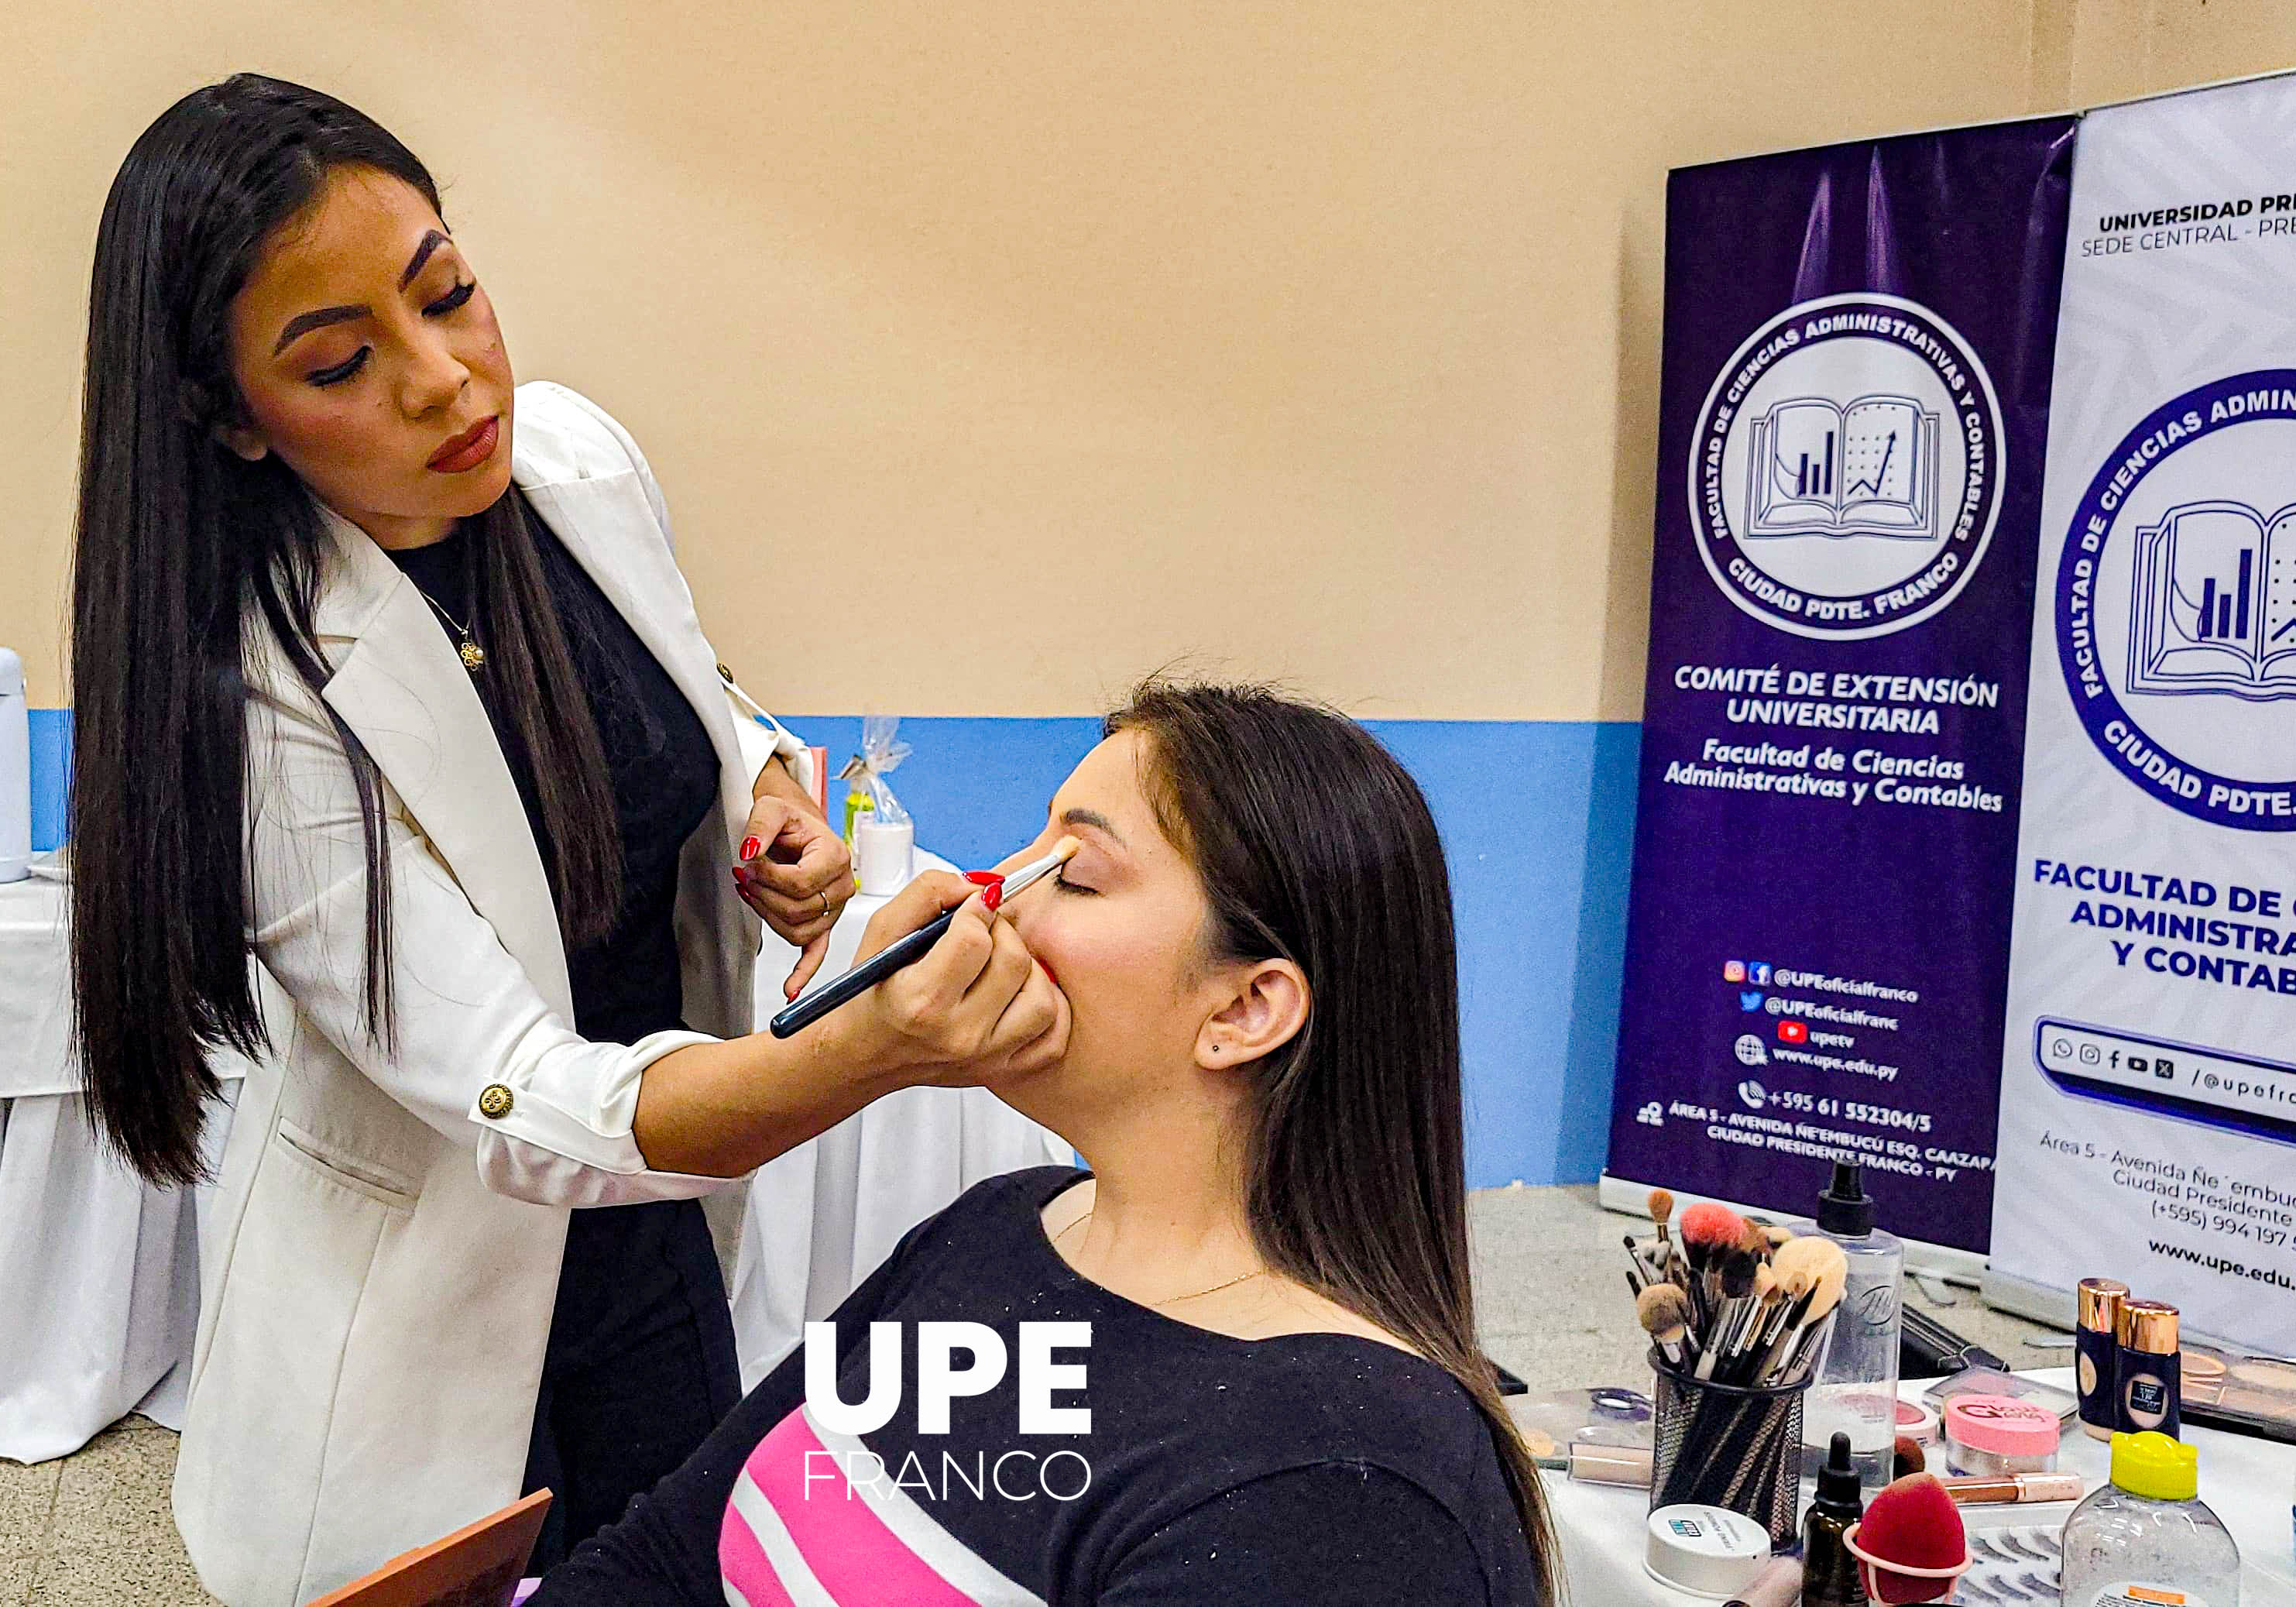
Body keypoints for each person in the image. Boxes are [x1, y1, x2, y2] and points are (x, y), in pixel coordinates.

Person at [64, 74, 1070, 1607]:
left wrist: (769, 804)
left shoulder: (574, 462)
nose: (447, 381)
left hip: (653, 1248)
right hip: (443, 1299)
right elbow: (520, 1099)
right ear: (231, 418)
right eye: (341, 363)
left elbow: (695, 690)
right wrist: (861, 1053)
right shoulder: (254, 694)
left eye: (450, 294)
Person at [532, 679, 1559, 1605]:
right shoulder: (992, 1233)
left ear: (1245, 1010)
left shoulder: (1345, 1488)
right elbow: (667, 1556)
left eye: (1072, 874)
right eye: (1028, 847)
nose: (987, 891)